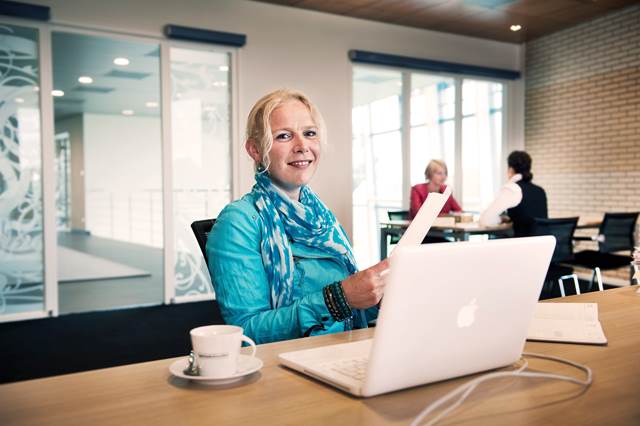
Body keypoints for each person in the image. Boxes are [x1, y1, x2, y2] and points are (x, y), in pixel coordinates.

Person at [206, 89, 388, 344]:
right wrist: (339, 298)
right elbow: (246, 331)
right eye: (284, 136)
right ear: (255, 150)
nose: (302, 146)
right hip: (289, 365)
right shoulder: (239, 222)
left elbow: (347, 310)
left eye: (309, 133)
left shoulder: (322, 217)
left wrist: (379, 295)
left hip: (342, 351)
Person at [479, 150, 548, 237]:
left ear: (510, 170)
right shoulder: (540, 191)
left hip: (522, 247)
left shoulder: (513, 189)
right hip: (543, 247)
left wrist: (499, 220)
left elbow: (486, 220)